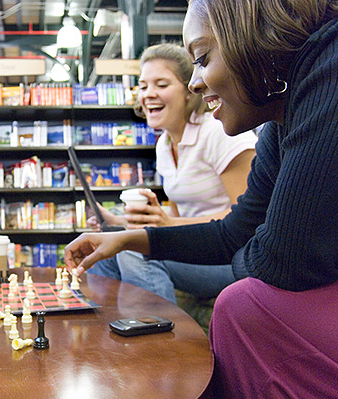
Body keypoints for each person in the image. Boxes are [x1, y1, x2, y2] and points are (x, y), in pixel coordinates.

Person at [65, 0, 338, 396]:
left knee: (239, 307)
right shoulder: (282, 120)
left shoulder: (327, 71)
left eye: (203, 58)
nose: (196, 82)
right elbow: (236, 233)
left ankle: (169, 366)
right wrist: (127, 238)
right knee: (119, 256)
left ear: (251, 40)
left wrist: (257, 244)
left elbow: (280, 259)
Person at [87, 43, 256, 304]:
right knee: (104, 251)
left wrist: (165, 228)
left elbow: (249, 221)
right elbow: (176, 217)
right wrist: (119, 223)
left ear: (189, 90)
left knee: (132, 252)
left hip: (234, 257)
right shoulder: (164, 145)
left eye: (162, 85)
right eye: (143, 86)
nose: (149, 94)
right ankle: (107, 336)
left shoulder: (218, 132)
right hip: (196, 251)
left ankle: (160, 340)